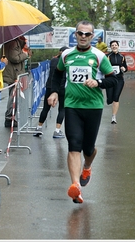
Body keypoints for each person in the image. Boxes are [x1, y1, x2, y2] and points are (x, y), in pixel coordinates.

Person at [48, 21, 117, 203]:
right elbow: (57, 74)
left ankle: (87, 166)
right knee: (74, 144)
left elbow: (114, 80)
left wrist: (98, 83)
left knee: (88, 148)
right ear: (75, 35)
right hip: (72, 106)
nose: (83, 37)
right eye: (80, 33)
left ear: (92, 36)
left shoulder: (99, 56)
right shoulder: (66, 55)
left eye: (87, 34)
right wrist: (54, 91)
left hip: (93, 107)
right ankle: (75, 186)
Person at [34, 46, 69, 138]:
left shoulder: (53, 60)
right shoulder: (67, 62)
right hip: (62, 87)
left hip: (50, 86)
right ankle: (57, 130)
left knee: (46, 108)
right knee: (62, 109)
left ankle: (38, 127)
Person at [1, 35, 30, 128]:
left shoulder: (15, 42)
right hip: (14, 73)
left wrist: (24, 48)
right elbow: (15, 58)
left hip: (15, 72)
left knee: (14, 95)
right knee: (13, 95)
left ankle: (11, 116)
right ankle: (9, 117)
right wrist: (25, 54)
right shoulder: (12, 42)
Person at [105, 40, 128, 124]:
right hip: (110, 79)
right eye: (112, 45)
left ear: (118, 46)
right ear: (110, 47)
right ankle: (109, 99)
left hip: (119, 79)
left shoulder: (122, 56)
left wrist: (124, 69)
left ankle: (114, 117)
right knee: (110, 99)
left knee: (116, 98)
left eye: (115, 45)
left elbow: (126, 67)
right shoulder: (107, 56)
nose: (114, 46)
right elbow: (103, 67)